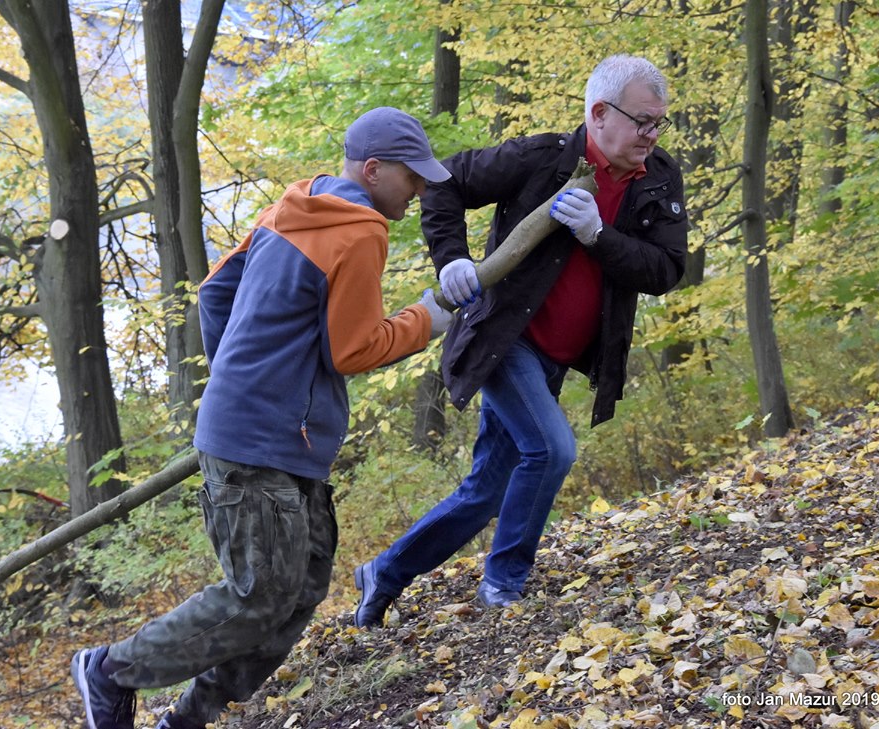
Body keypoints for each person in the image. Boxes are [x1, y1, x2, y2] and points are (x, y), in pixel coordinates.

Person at [70, 106, 455, 729]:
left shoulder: (291, 208)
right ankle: (109, 671)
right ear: (373, 170)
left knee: (299, 589)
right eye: (411, 177)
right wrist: (427, 319)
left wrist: (242, 374)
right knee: (259, 595)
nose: (418, 190)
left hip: (275, 438)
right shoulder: (361, 230)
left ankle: (186, 720)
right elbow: (353, 350)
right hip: (261, 441)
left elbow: (215, 290)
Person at [354, 55, 688, 627]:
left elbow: (665, 270)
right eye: (642, 122)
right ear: (599, 113)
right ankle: (503, 583)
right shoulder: (541, 157)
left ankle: (383, 573)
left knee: (486, 489)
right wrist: (452, 260)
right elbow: (444, 185)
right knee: (552, 450)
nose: (651, 135)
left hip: (560, 357)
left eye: (659, 123)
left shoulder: (658, 176)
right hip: (505, 341)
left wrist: (599, 236)